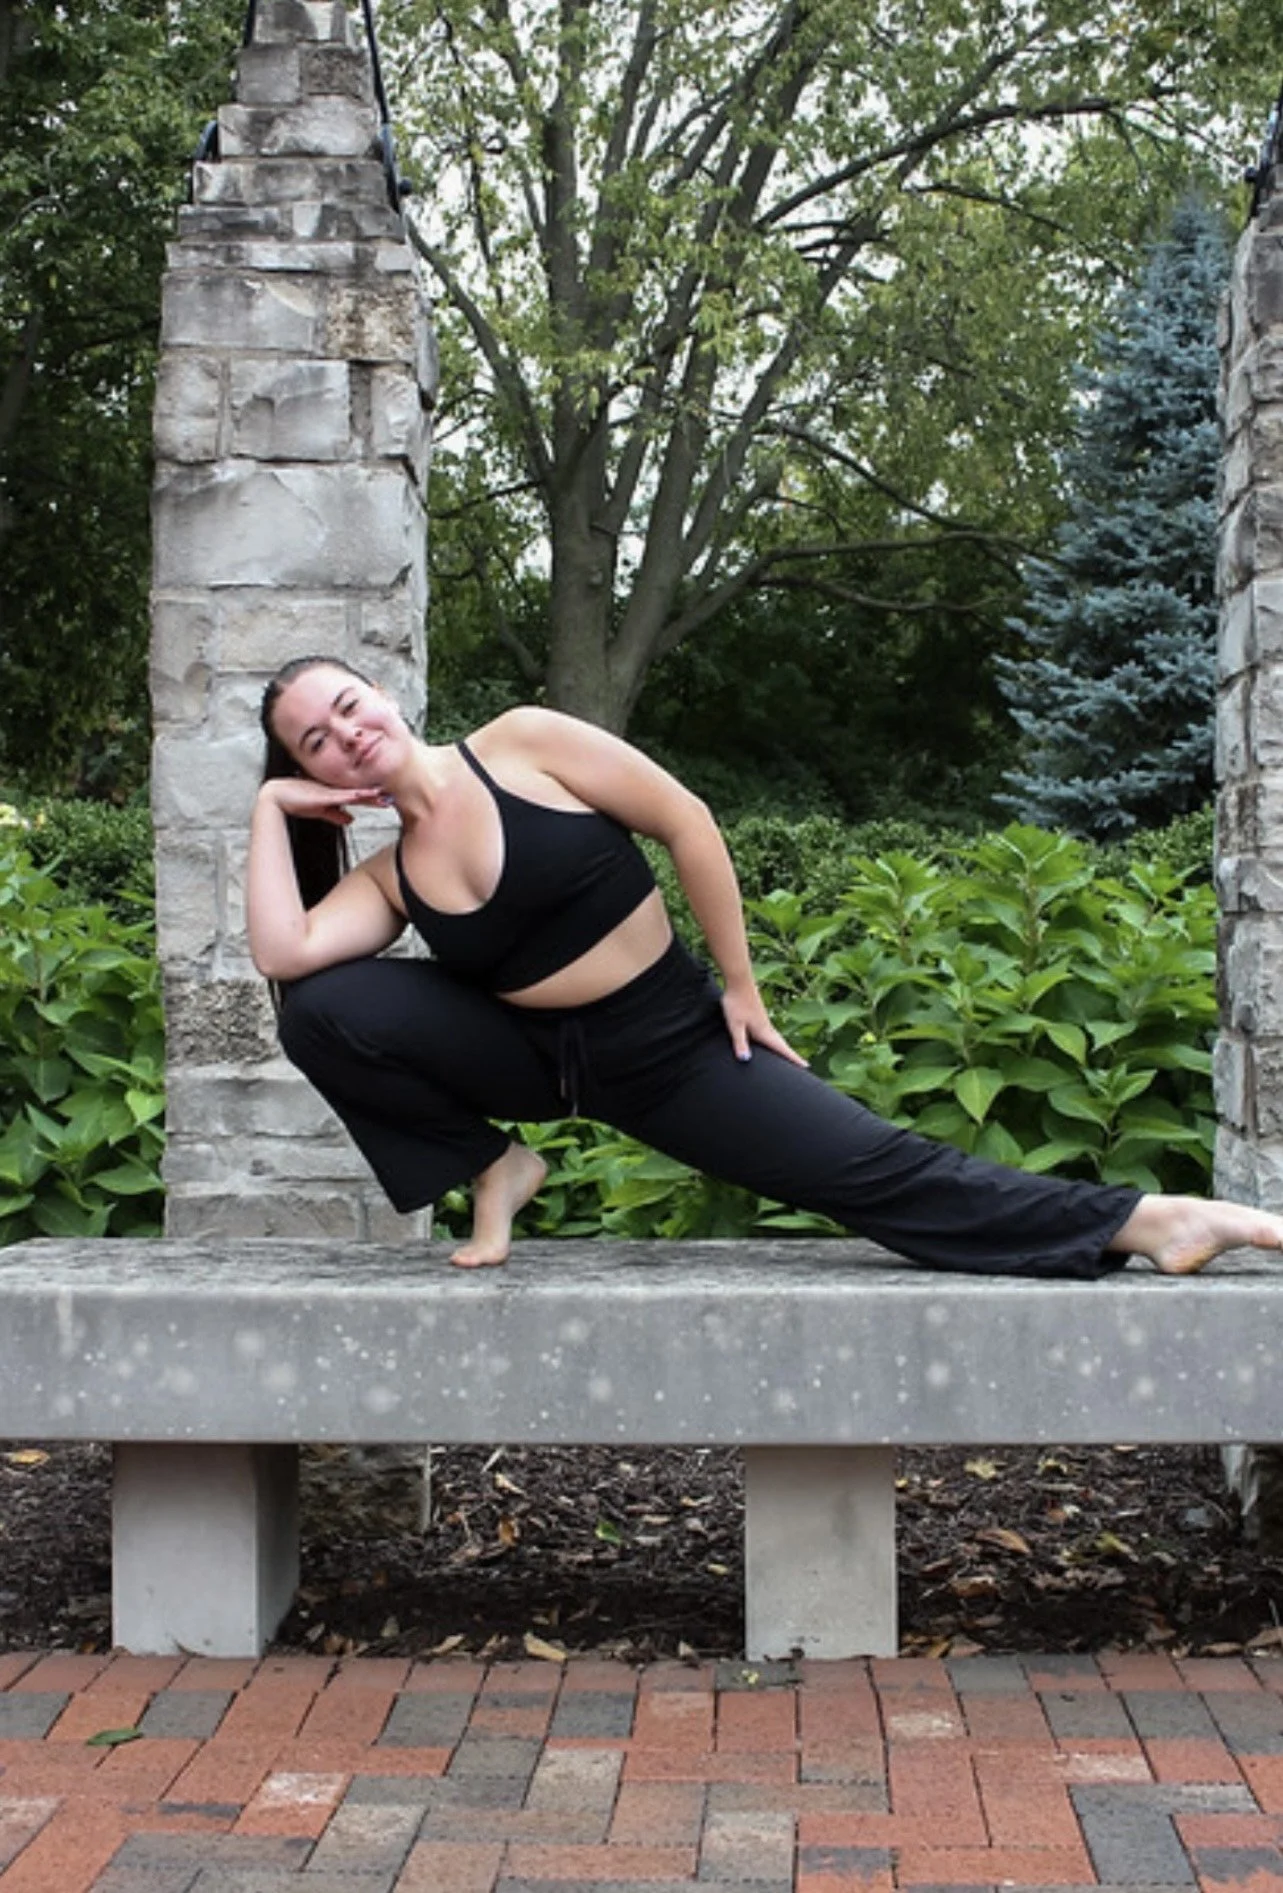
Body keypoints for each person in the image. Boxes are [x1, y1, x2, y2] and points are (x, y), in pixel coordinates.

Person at [248, 653, 1283, 1275]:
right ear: (312, 774)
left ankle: (1154, 1222)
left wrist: (739, 987)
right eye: (313, 745)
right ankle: (496, 1165)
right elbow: (283, 952)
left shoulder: (520, 744)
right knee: (316, 1009)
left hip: (665, 1046)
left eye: (347, 707)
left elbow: (686, 823)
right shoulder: (389, 879)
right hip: (526, 1057)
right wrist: (263, 810)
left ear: (380, 693)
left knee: (874, 1175)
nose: (344, 737)